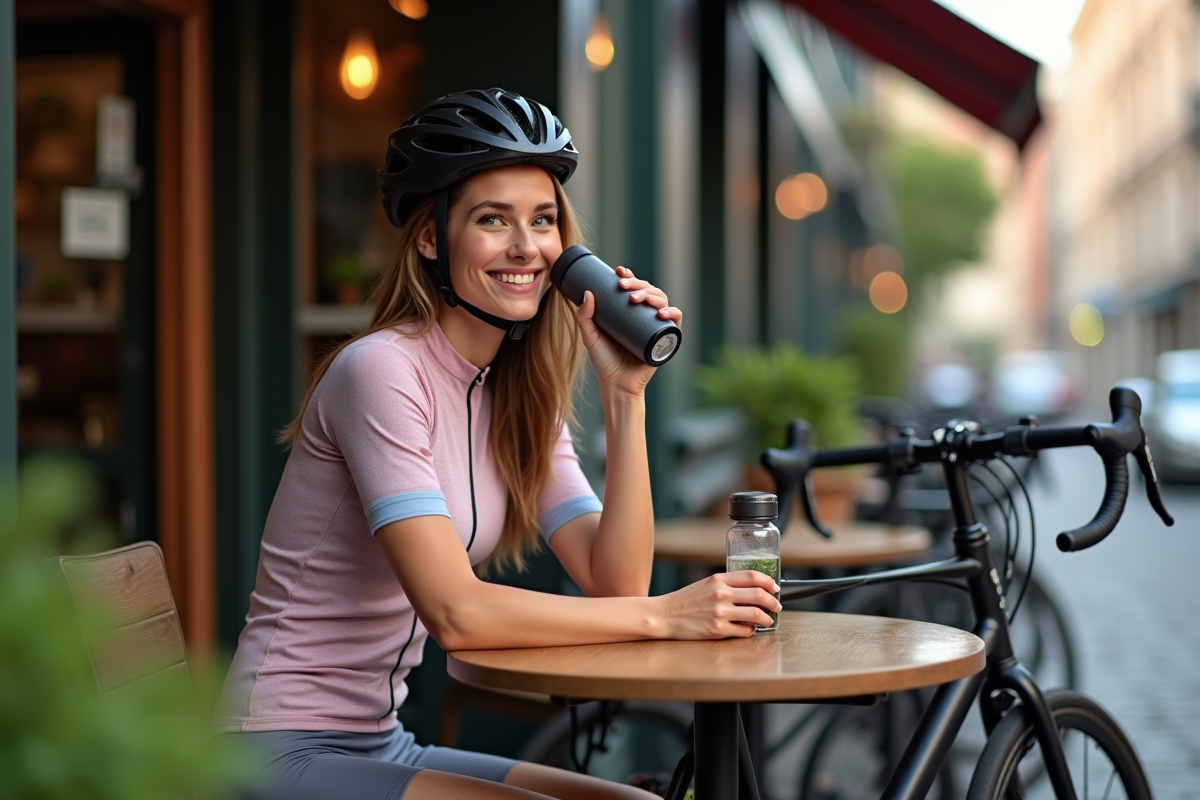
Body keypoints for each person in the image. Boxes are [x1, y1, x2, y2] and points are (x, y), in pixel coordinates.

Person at [214, 88, 780, 800]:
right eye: (492, 220)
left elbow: (615, 583)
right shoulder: (383, 371)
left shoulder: (512, 392)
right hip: (276, 752)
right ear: (429, 239)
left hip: (382, 742)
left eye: (543, 222)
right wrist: (670, 616)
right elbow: (458, 615)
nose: (526, 248)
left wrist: (626, 396)